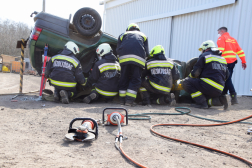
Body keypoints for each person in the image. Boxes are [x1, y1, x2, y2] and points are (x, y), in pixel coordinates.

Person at [182, 40, 229, 109]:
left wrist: (189, 78)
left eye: (202, 50)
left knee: (186, 82)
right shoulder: (222, 59)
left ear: (206, 48)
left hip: (208, 86)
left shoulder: (205, 55)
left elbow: (195, 74)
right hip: (220, 88)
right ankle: (222, 99)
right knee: (206, 98)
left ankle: (202, 103)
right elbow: (227, 75)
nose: (201, 51)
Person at [116, 23, 149, 106]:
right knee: (135, 79)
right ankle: (129, 101)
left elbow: (117, 49)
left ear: (128, 29)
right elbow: (147, 52)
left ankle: (122, 100)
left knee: (123, 78)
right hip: (138, 60)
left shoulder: (122, 35)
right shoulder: (144, 35)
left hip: (124, 59)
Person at [217, 27, 247, 105]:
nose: (218, 34)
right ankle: (223, 96)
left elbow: (220, 50)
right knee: (227, 78)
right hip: (232, 62)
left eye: (219, 32)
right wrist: (243, 61)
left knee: (227, 79)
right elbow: (240, 51)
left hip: (224, 62)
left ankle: (233, 96)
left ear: (222, 31)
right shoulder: (233, 40)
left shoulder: (221, 38)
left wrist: (215, 59)